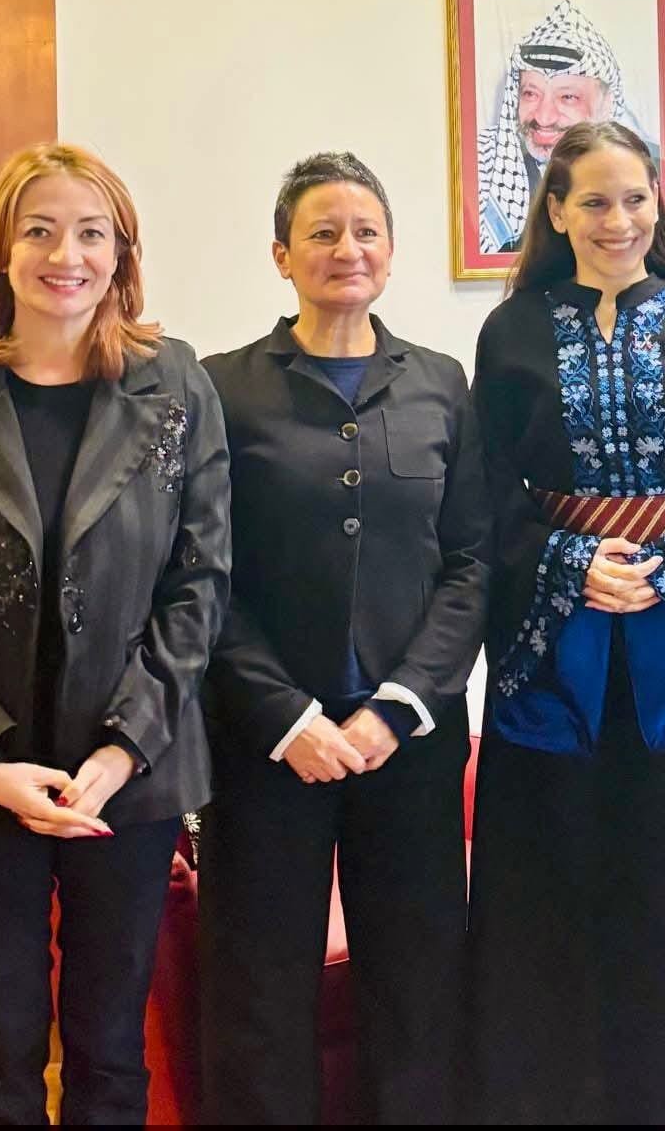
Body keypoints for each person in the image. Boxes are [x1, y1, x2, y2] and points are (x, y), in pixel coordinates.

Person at [0, 143, 230, 1125]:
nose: (66, 254)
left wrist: (122, 748)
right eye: (40, 229)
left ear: (121, 254)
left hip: (130, 778)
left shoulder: (177, 386)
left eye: (91, 233)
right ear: (0, 249)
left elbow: (200, 584)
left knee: (112, 1054)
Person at [469, 120, 665, 1124]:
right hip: (551, 649)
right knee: (556, 884)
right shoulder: (510, 331)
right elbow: (485, 488)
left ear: (660, 201)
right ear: (557, 210)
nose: (619, 220)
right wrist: (572, 563)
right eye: (595, 201)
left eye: (636, 198)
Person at [198, 151, 487, 1125]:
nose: (346, 248)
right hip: (265, 746)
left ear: (392, 251)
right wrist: (285, 715)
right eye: (321, 231)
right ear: (281, 254)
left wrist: (399, 705)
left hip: (406, 743)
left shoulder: (441, 382)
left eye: (365, 230)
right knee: (258, 990)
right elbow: (202, 575)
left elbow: (471, 563)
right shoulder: (221, 389)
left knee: (418, 982)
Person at [476, 0, 657, 253]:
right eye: (531, 94)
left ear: (607, 104)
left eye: (568, 97)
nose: (544, 117)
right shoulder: (485, 163)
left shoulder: (648, 164)